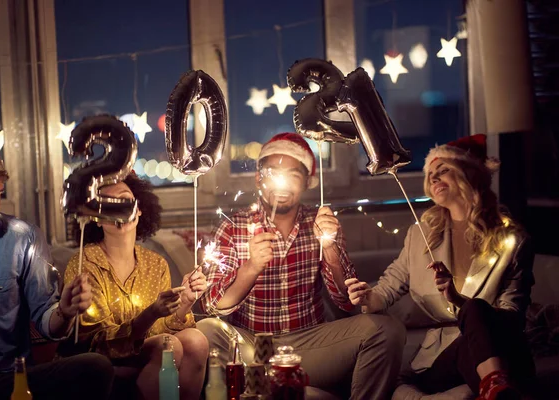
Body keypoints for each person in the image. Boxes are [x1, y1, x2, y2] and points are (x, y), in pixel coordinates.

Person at [198, 132, 406, 400]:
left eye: (293, 174)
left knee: (387, 329)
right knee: (206, 330)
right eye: (272, 172)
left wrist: (329, 246)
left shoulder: (321, 222)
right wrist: (251, 267)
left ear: (308, 181)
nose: (281, 183)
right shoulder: (234, 225)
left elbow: (346, 302)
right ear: (258, 178)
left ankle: (281, 388)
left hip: (310, 343)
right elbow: (213, 305)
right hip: (254, 344)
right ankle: (293, 389)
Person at [346, 134, 536, 399]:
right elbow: (388, 288)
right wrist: (368, 296)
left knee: (476, 309)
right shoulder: (421, 235)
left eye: (443, 170)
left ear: (471, 175)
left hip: (498, 348)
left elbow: (511, 317)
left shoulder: (512, 241)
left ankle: (493, 385)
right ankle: (496, 387)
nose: (433, 178)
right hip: (441, 359)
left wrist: (460, 301)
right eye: (430, 174)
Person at [0, 133, 114, 400]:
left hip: (16, 377)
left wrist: (64, 312)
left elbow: (47, 320)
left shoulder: (23, 237)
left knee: (94, 367)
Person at [58, 172, 209, 400]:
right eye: (108, 204)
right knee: (169, 347)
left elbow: (161, 330)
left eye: (125, 201)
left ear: (139, 209)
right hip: (99, 361)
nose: (119, 210)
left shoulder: (156, 263)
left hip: (148, 352)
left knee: (196, 342)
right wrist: (149, 314)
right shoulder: (84, 263)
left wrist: (184, 304)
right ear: (96, 217)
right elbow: (97, 342)